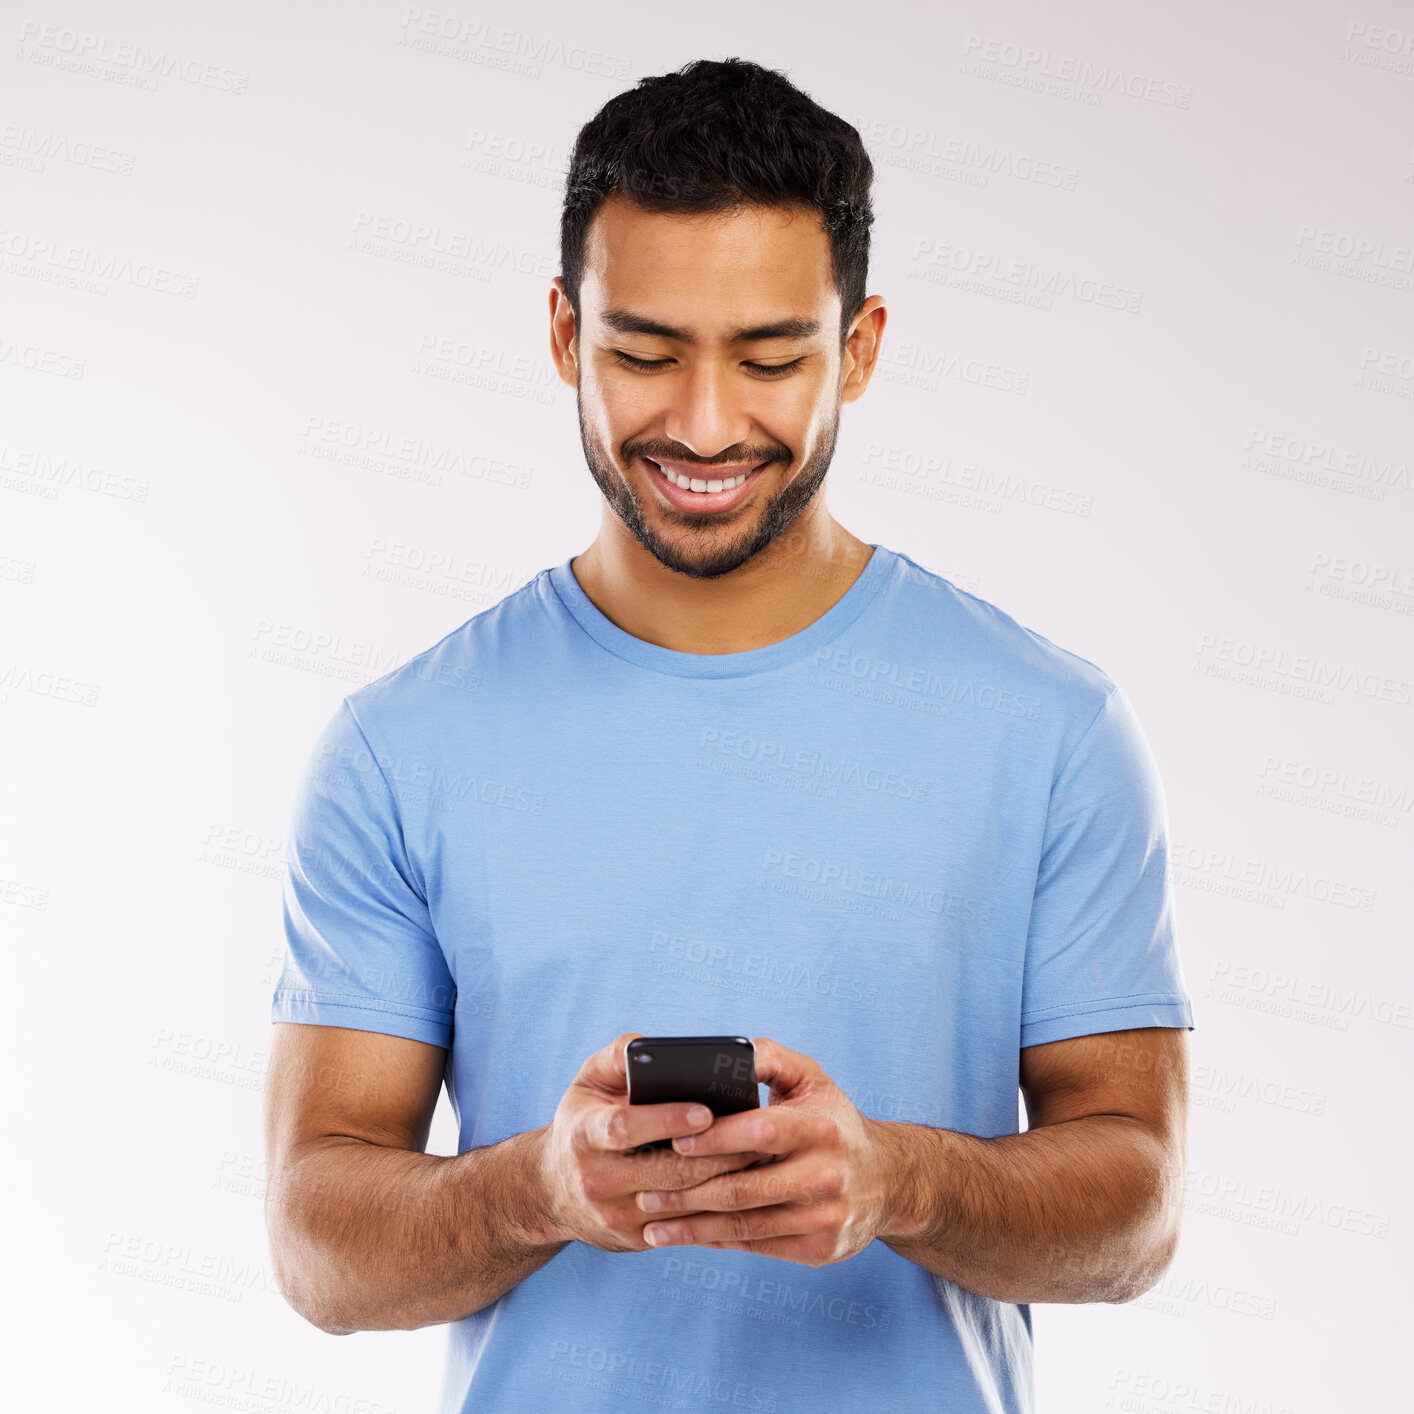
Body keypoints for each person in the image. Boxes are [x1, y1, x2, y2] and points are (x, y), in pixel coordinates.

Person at [264, 56, 1194, 1414]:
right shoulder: (399, 745)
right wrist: (535, 1189)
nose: (705, 423)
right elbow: (314, 1244)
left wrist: (901, 1179)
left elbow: (1139, 1213)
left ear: (860, 349)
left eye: (770, 358)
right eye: (644, 352)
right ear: (563, 337)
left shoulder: (1049, 726)